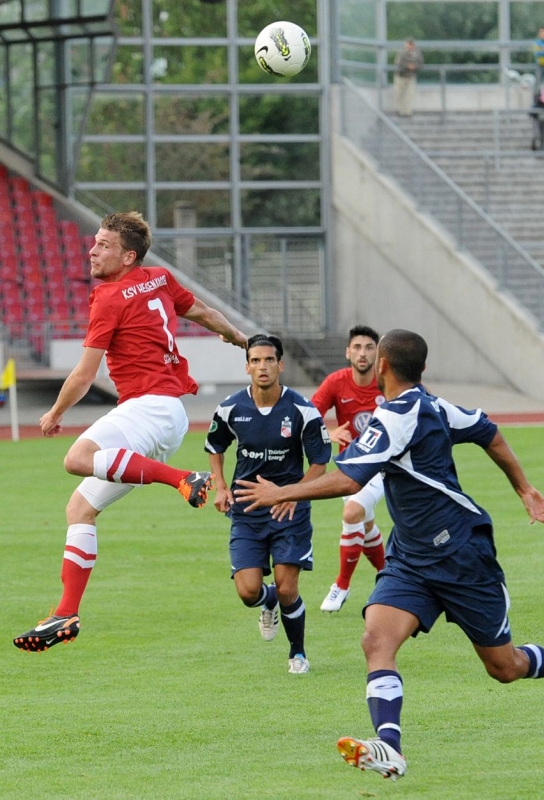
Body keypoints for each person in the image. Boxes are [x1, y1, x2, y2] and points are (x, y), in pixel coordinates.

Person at [236, 329, 544, 781]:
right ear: (422, 369)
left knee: (504, 667)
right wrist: (523, 488)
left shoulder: (398, 416)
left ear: (383, 367)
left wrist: (284, 490)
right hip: (412, 559)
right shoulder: (430, 404)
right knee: (376, 639)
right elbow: (487, 430)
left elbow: (350, 482)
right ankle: (389, 748)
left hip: (462, 555)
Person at [13, 211, 247, 652]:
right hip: (169, 415)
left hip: (148, 406)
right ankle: (66, 612)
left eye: (103, 244)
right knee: (79, 509)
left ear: (128, 256)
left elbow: (85, 374)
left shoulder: (109, 296)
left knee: (75, 458)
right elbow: (204, 312)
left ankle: (183, 478)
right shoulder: (158, 278)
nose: (92, 249)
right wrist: (236, 336)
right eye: (95, 242)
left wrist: (55, 412)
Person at [205, 333, 332, 674]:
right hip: (247, 511)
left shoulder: (302, 410)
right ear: (247, 366)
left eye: (269, 360)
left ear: (281, 364)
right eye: (256, 360)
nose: (263, 366)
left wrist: (294, 493)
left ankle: (298, 654)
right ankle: (267, 600)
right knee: (248, 592)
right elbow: (215, 446)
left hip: (288, 511)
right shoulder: (231, 407)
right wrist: (219, 487)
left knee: (289, 587)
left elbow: (320, 460)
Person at [311, 326, 386, 612]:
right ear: (348, 352)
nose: (363, 353)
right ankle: (388, 577)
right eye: (357, 347)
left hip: (382, 466)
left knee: (352, 512)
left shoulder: (386, 382)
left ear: (377, 352)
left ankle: (342, 584)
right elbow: (308, 418)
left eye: (369, 347)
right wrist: (328, 433)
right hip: (350, 467)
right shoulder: (336, 382)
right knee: (365, 525)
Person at [394, 38, 423, 117]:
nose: (408, 48)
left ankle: (408, 112)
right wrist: (407, 66)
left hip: (411, 76)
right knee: (400, 94)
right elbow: (398, 63)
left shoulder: (417, 53)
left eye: (409, 46)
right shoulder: (401, 52)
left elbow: (421, 64)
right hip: (401, 76)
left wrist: (414, 67)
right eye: (407, 46)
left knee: (410, 94)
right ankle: (401, 111)